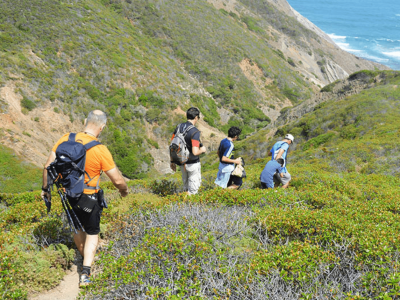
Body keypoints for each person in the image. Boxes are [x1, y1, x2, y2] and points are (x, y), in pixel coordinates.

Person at [41, 110, 128, 287]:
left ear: (84, 121)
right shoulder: (100, 149)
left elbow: (47, 166)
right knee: (93, 232)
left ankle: (83, 257)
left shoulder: (66, 138)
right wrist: (124, 191)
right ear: (102, 127)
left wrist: (45, 190)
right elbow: (117, 179)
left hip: (67, 195)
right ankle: (86, 272)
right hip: (89, 197)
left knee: (77, 227)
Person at [170, 107, 206, 195]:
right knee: (193, 191)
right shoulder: (194, 132)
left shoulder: (179, 127)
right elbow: (195, 152)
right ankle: (188, 208)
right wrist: (202, 150)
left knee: (185, 188)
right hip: (193, 164)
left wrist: (172, 161)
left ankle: (181, 206)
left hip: (182, 163)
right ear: (196, 117)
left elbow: (172, 145)